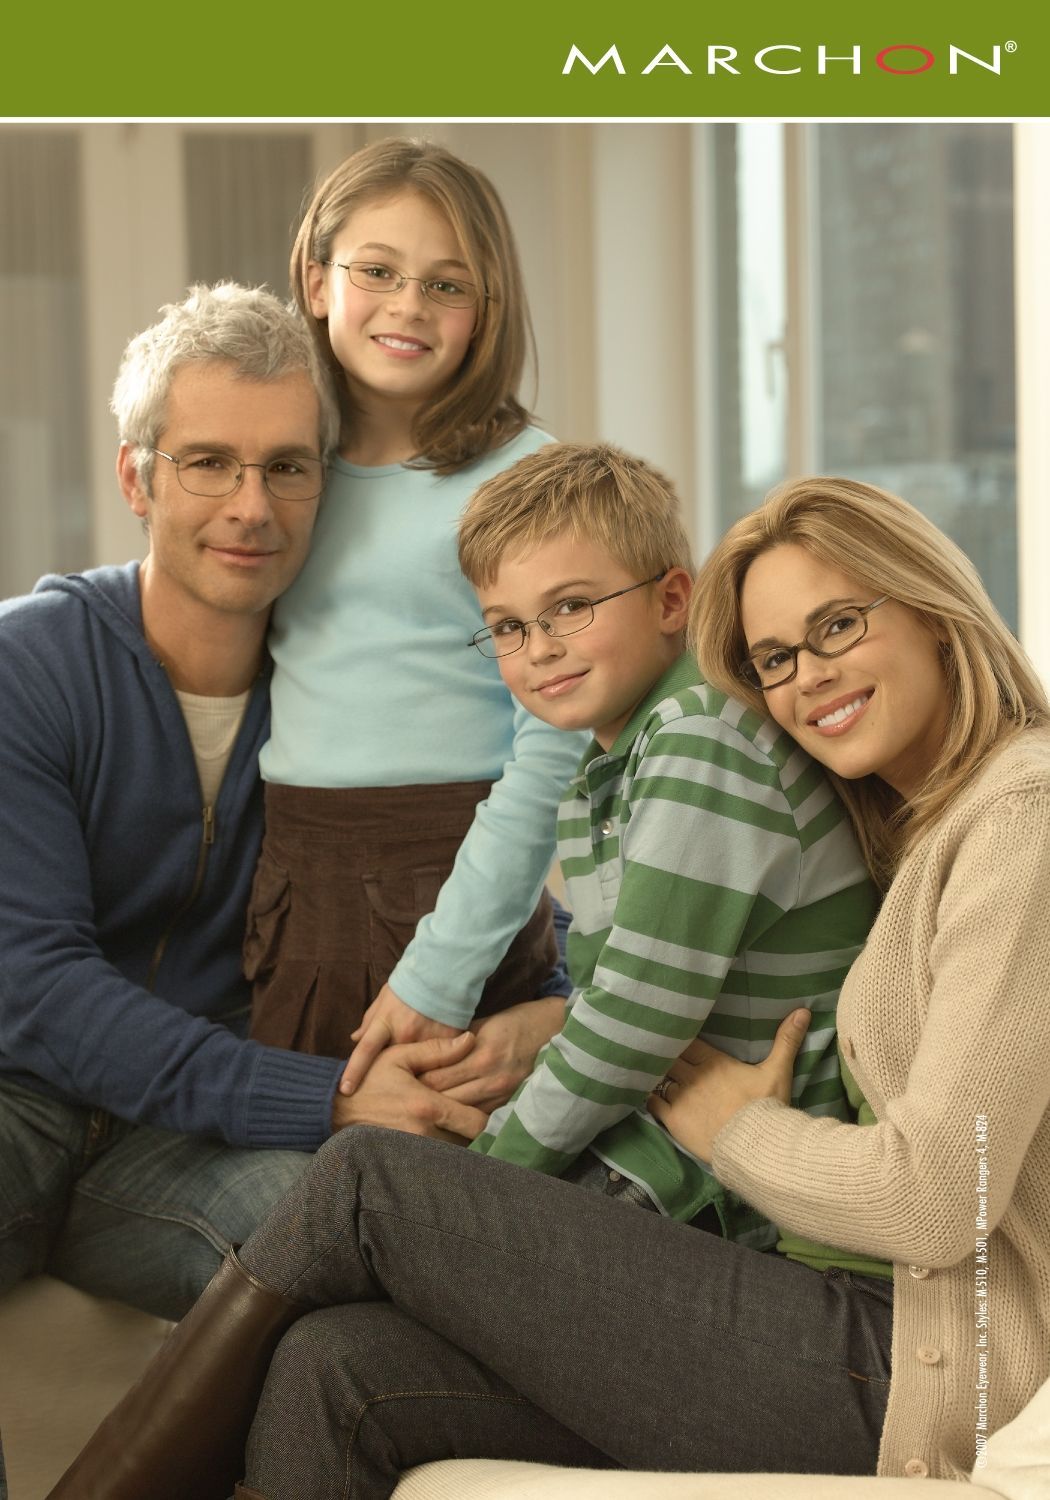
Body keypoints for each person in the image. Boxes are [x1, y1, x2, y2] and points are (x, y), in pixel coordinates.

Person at [48, 475, 1049, 1500]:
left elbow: (940, 1200)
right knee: (336, 1365)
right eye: (775, 658)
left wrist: (732, 1134)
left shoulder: (1021, 822)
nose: (805, 681)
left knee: (368, 1180)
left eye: (838, 626)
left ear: (933, 606)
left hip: (915, 1361)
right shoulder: (922, 818)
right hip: (819, 1299)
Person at [0, 282, 493, 1339]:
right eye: (209, 462)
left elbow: (481, 869)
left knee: (344, 1245)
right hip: (19, 1092)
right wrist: (324, 1099)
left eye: (286, 466)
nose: (251, 506)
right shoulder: (26, 668)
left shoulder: (351, 693)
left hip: (186, 1140)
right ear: (137, 477)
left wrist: (549, 1012)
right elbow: (35, 987)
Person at [459, 442, 876, 1233]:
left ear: (671, 599)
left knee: (379, 1201)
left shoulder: (700, 742)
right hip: (668, 1139)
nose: (539, 647)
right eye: (508, 626)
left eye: (571, 607)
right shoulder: (623, 757)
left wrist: (479, 1175)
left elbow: (629, 1024)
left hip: (722, 1182)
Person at [245, 137, 583, 1094]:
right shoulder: (283, 467)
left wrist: (445, 964)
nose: (408, 306)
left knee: (445, 1192)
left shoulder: (524, 478)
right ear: (317, 281)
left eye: (447, 285)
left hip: (451, 884)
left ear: (487, 311)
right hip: (294, 883)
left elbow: (555, 743)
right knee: (305, 1188)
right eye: (378, 272)